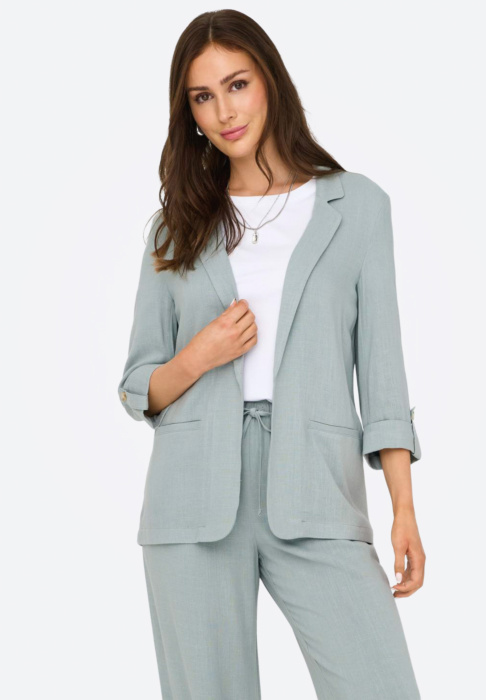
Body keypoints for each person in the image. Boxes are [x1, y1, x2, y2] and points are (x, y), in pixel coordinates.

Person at [117, 9, 425, 699]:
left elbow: (383, 374)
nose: (224, 111)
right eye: (203, 96)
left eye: (237, 84)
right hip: (191, 500)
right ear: (190, 113)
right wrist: (199, 355)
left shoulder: (357, 206)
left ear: (270, 82)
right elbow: (139, 383)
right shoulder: (174, 228)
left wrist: (402, 508)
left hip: (317, 487)